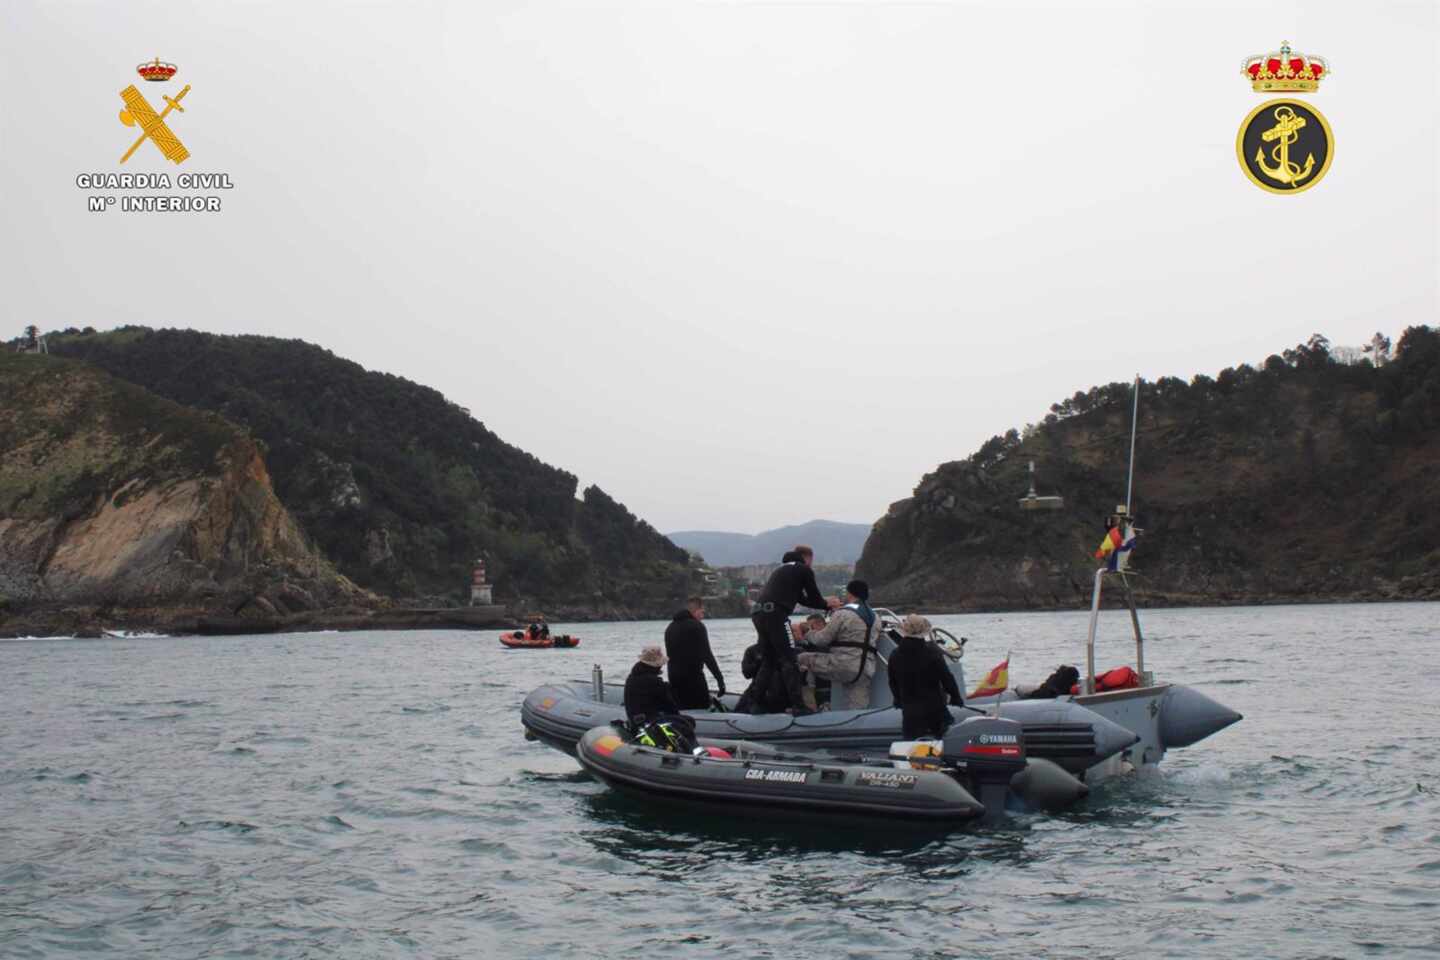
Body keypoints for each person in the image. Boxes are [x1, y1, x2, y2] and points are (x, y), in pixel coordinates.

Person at [739, 545, 840, 715]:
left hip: (759, 614)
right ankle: (799, 706)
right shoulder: (803, 570)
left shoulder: (781, 570)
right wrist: (827, 603)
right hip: (777, 615)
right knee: (790, 659)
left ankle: (755, 703)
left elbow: (803, 599)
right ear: (806, 558)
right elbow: (814, 597)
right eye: (811, 561)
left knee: (769, 660)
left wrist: (823, 603)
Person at [795, 579, 879, 710]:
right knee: (858, 708)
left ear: (850, 594)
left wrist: (807, 632)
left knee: (802, 659)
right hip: (866, 668)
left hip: (843, 665)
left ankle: (805, 707)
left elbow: (821, 640)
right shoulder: (876, 617)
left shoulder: (843, 614)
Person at [887, 613, 964, 739]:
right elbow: (947, 678)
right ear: (924, 631)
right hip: (935, 708)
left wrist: (898, 700)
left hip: (910, 711)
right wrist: (956, 698)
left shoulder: (895, 655)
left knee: (910, 744)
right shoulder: (933, 651)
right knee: (943, 739)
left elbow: (893, 682)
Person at [664, 596, 725, 709]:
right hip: (693, 678)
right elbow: (707, 655)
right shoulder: (697, 626)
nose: (703, 616)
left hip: (674, 677)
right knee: (701, 708)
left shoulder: (670, 627)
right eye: (702, 612)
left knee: (682, 709)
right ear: (695, 610)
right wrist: (720, 680)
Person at [624, 646, 681, 726]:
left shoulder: (631, 677)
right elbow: (670, 707)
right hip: (651, 723)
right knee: (689, 721)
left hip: (635, 721)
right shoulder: (655, 682)